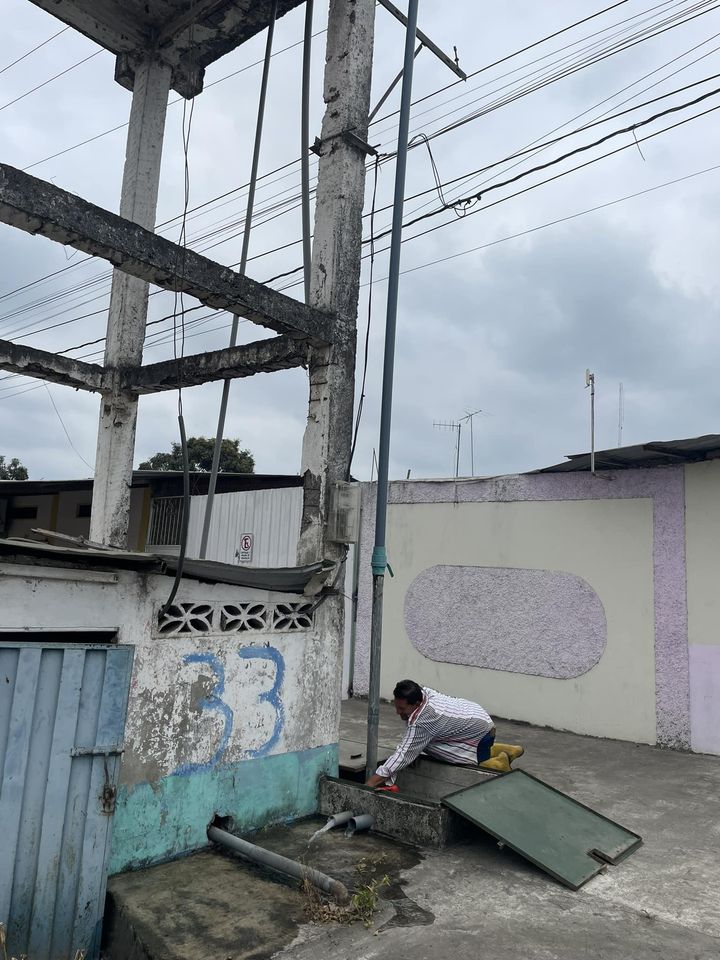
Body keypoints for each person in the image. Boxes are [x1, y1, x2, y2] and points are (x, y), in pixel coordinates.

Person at [365, 679, 524, 789]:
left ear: (416, 704)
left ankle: (500, 763)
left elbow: (403, 754)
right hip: (479, 717)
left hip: (480, 732)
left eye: (402, 709)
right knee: (421, 743)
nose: (397, 712)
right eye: (396, 706)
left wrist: (371, 783)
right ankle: (508, 750)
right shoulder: (424, 692)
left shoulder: (424, 720)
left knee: (423, 746)